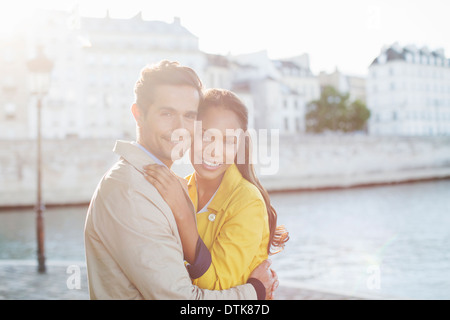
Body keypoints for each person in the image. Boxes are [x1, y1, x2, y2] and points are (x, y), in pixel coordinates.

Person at [84, 60, 277, 300]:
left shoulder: (165, 185)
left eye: (188, 116)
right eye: (166, 113)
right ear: (138, 115)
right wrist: (256, 291)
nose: (179, 128)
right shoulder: (132, 192)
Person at [144, 88, 289, 293]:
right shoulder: (177, 189)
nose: (214, 150)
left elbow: (216, 287)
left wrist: (183, 215)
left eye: (228, 141)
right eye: (205, 136)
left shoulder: (247, 201)